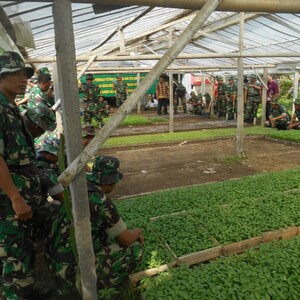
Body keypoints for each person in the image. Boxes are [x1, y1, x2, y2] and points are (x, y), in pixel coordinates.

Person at [45, 156, 144, 296]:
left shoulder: (78, 186)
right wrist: (138, 231)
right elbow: (127, 239)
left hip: (53, 264)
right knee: (135, 250)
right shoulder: (102, 202)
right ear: (111, 182)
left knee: (106, 236)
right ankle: (103, 287)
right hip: (71, 274)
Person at [0, 51, 55, 299]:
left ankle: (28, 291)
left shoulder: (10, 107)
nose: (23, 79)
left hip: (23, 192)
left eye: (24, 74)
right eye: (15, 74)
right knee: (13, 257)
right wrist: (15, 197)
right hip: (8, 201)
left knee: (23, 250)